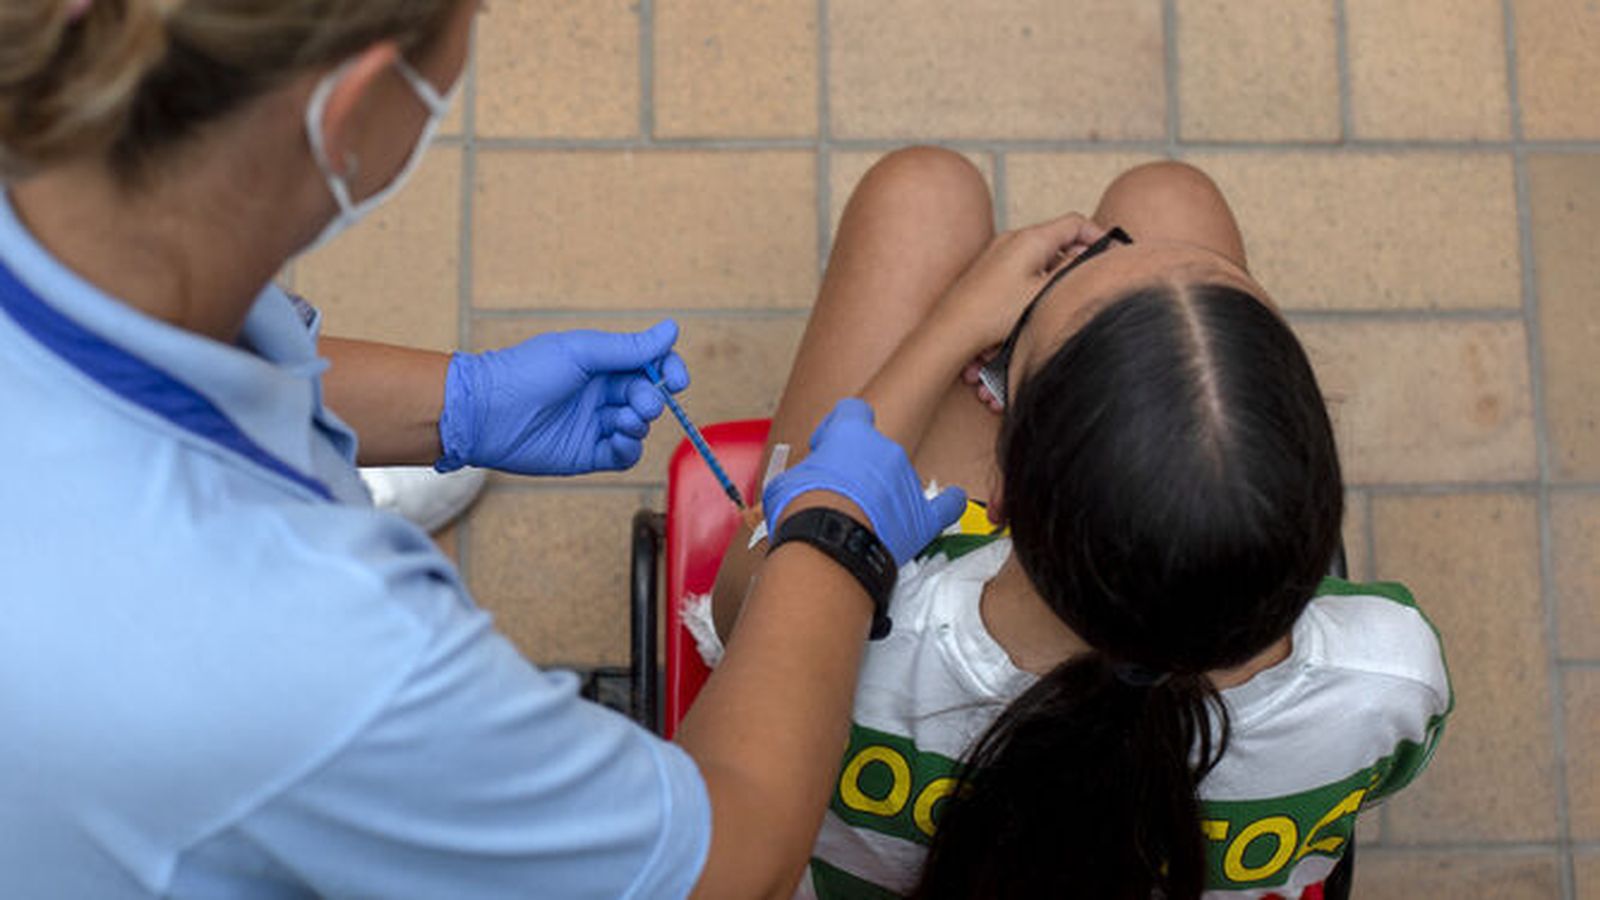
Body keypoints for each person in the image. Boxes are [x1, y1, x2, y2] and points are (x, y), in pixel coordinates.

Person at [0, 3, 981, 897]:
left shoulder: (64, 170)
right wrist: (836, 534)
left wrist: (455, 403)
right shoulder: (322, 654)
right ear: (350, 108)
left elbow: (126, 368)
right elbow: (727, 871)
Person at [710, 148, 1453, 899]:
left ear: (997, 493)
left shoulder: (876, 620)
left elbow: (746, 600)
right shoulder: (1392, 673)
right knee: (1172, 197)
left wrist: (954, 325)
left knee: (922, 190)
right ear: (1311, 508)